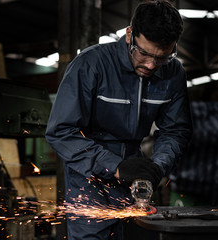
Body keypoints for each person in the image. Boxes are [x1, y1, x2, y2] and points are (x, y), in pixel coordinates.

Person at [45, 0, 192, 239]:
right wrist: (114, 166)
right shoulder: (91, 65)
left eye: (162, 57)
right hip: (88, 177)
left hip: (135, 172)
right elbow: (61, 132)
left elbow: (175, 131)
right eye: (144, 53)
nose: (151, 65)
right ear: (129, 35)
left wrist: (158, 166)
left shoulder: (173, 73)